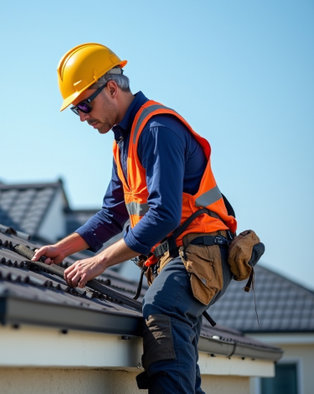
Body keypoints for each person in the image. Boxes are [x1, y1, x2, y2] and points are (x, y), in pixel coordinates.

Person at [32, 43, 237, 393]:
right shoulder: (123, 142)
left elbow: (165, 215)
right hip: (179, 258)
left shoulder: (158, 129)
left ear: (112, 88)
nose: (82, 116)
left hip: (202, 252)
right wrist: (64, 248)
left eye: (84, 104)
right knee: (178, 363)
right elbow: (113, 214)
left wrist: (98, 262)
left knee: (161, 313)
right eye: (75, 110)